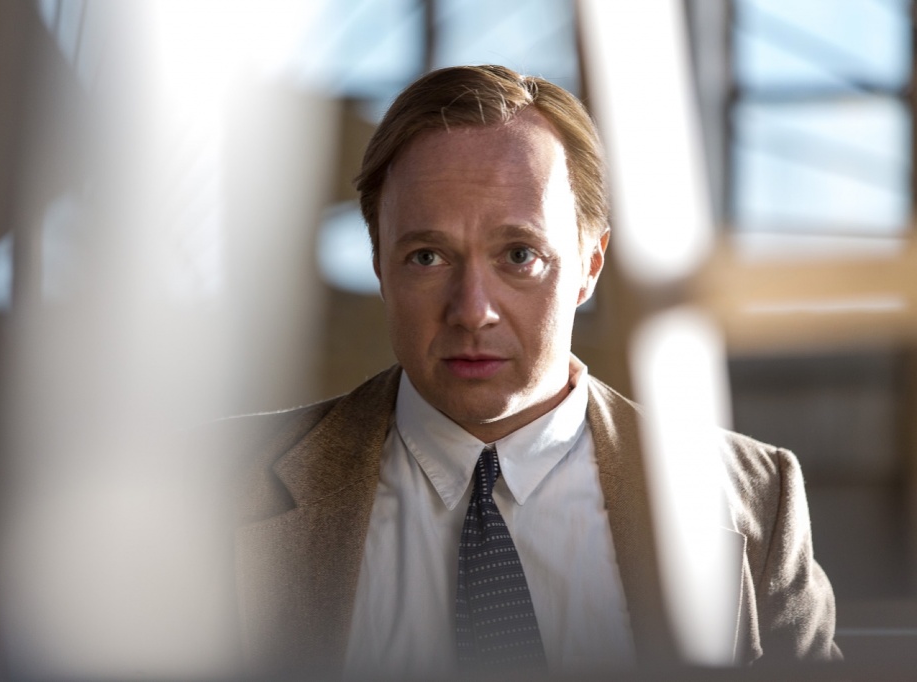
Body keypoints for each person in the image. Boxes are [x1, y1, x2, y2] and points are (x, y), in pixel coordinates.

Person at [214, 65, 840, 677]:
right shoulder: (211, 485)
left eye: (519, 255)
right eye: (427, 256)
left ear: (590, 265)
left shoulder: (754, 495)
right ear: (380, 264)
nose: (472, 310)